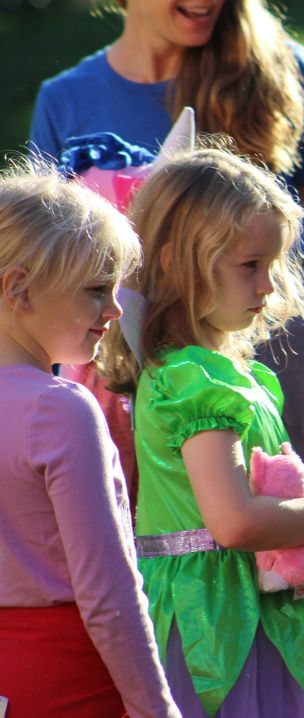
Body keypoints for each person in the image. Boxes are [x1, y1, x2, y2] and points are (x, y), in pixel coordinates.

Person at [29, 0, 304, 650]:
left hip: (281, 355)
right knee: (166, 569)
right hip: (126, 376)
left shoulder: (275, 67)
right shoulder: (66, 99)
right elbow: (48, 264)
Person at [99, 147, 304, 716]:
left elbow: (256, 504)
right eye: (249, 265)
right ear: (174, 262)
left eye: (274, 264)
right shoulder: (194, 381)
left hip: (260, 613)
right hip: (220, 627)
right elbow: (235, 522)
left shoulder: (233, 374)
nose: (268, 284)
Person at [0, 163, 179, 717]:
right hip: (65, 678)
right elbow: (108, 595)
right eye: (96, 289)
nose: (115, 310)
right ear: (20, 288)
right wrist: (158, 708)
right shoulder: (59, 409)